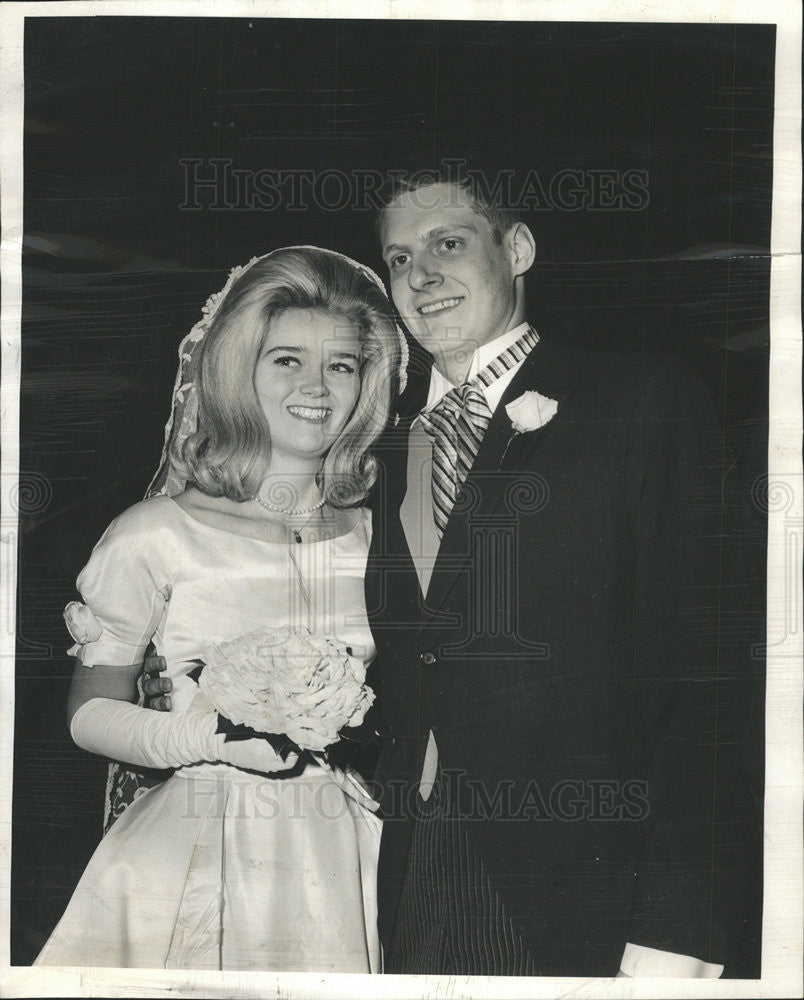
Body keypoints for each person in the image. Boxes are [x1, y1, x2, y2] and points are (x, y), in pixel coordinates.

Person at [363, 171, 762, 977]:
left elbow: (709, 678)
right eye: (400, 259)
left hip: (582, 892)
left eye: (448, 243)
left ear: (518, 249)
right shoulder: (386, 444)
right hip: (408, 873)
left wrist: (679, 928)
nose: (421, 276)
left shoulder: (641, 398)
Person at [35, 246, 402, 971]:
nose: (317, 389)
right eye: (286, 360)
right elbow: (87, 716)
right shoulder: (157, 531)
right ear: (241, 370)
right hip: (198, 843)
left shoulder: (385, 534)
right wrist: (209, 739)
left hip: (353, 849)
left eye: (342, 365)